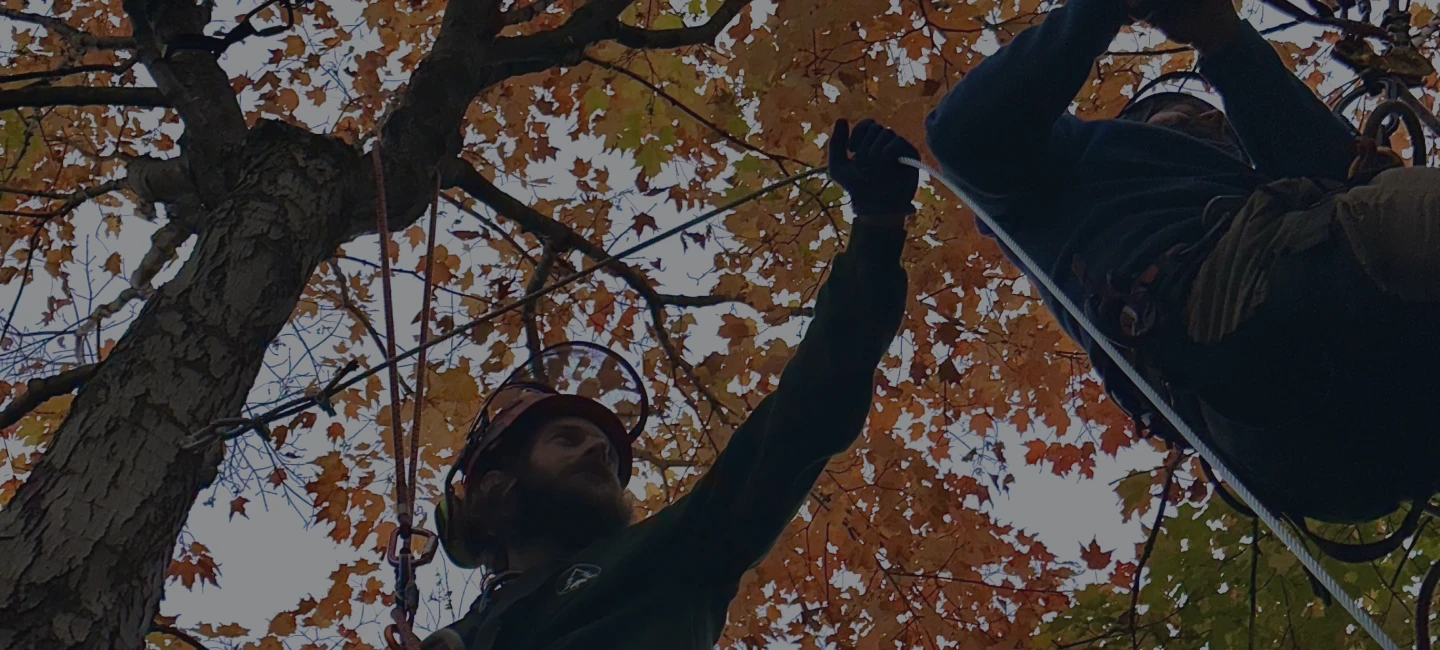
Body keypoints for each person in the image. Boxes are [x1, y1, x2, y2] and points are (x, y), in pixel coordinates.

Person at [924, 0, 1440, 525]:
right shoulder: (1072, 166)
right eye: (1181, 112)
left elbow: (1332, 164)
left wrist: (1223, 39)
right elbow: (966, 137)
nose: (1210, 119)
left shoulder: (1255, 185)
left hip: (1325, 445)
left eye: (1211, 116)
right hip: (1227, 305)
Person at [419, 118, 918, 650]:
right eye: (566, 438)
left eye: (607, 452)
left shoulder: (677, 551)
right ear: (495, 480)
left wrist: (878, 228)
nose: (597, 450)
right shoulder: (474, 629)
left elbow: (800, 419)